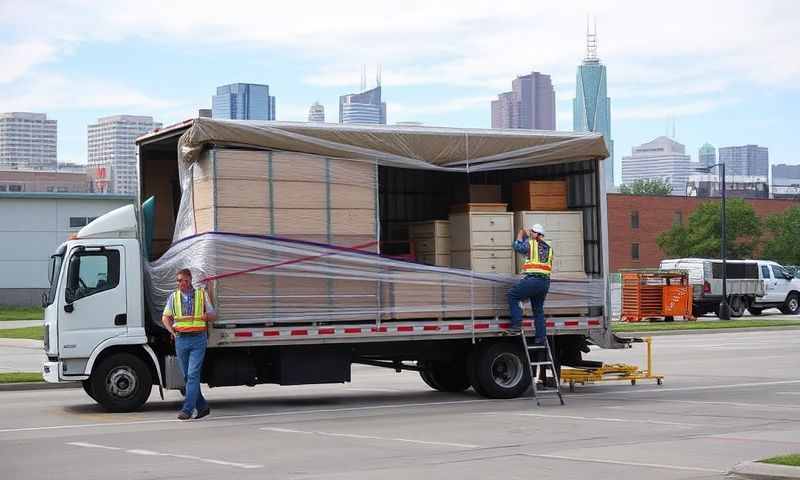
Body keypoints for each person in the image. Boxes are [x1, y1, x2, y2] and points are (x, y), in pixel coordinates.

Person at [161, 268, 217, 420]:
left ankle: (187, 409)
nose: (180, 283)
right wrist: (172, 332)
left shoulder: (201, 294)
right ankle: (203, 407)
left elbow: (213, 314)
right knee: (187, 377)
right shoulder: (173, 297)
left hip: (198, 339)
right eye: (178, 280)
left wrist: (206, 316)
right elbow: (165, 318)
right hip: (181, 340)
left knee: (193, 375)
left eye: (183, 280)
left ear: (189, 280)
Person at [505, 223, 553, 344]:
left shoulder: (531, 244)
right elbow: (535, 252)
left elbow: (517, 247)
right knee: (538, 310)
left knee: (512, 295)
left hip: (533, 281)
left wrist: (520, 234)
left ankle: (516, 326)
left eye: (532, 232)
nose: (530, 233)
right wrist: (528, 236)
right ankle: (541, 338)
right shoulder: (549, 247)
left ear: (537, 234)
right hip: (545, 283)